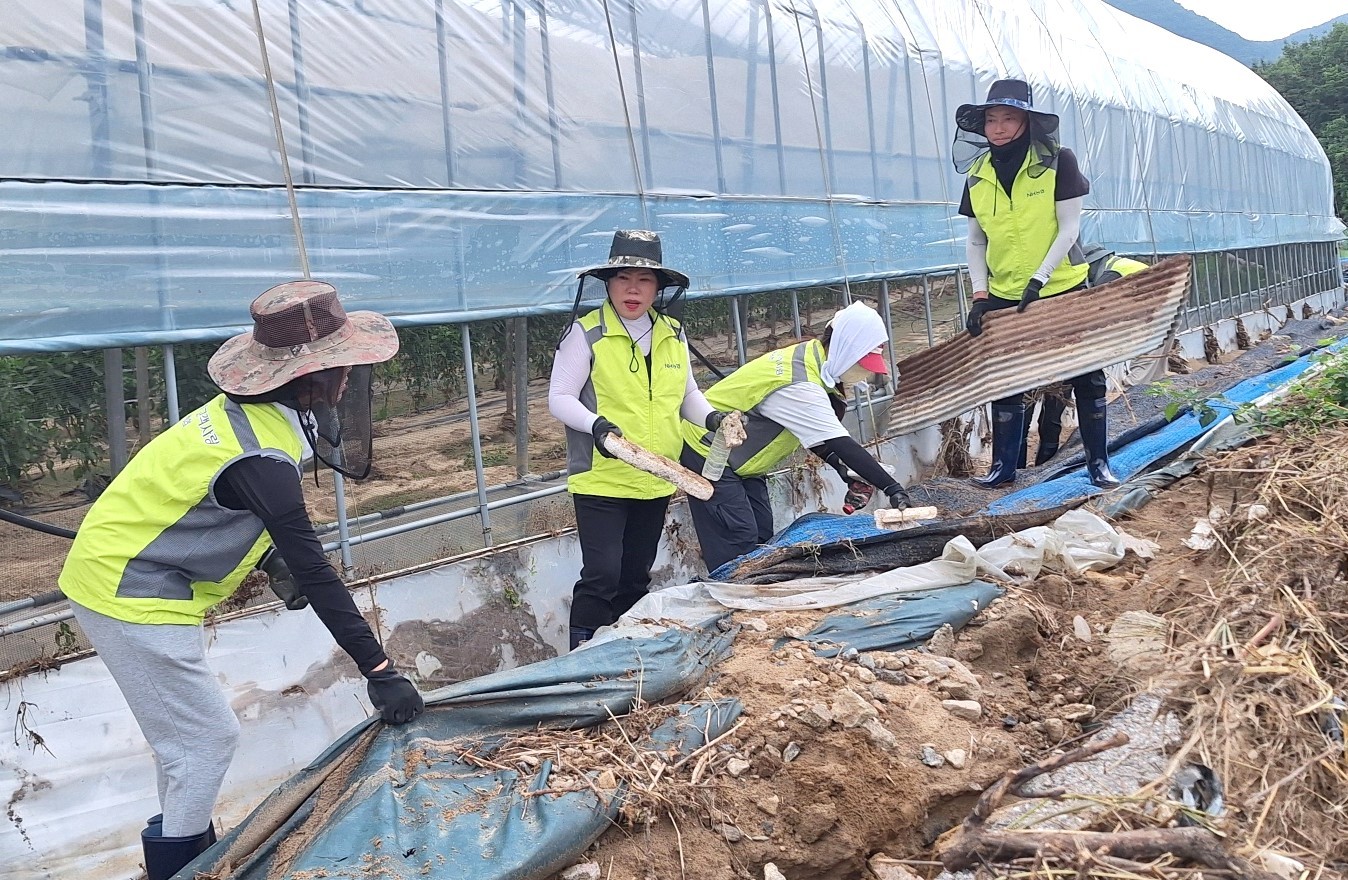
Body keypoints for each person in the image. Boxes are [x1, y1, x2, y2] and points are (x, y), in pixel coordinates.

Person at [58, 281, 425, 880]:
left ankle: (187, 845)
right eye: (340, 368)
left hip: (132, 569)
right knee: (206, 741)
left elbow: (199, 500)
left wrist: (261, 556)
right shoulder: (259, 455)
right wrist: (379, 673)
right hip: (131, 590)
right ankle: (180, 867)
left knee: (185, 745)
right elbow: (315, 569)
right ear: (309, 378)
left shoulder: (252, 418)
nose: (348, 380)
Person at [548, 230, 719, 650]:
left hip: (656, 474)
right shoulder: (586, 333)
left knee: (636, 573)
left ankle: (629, 653)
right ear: (608, 283)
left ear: (658, 288)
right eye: (623, 278)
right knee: (602, 573)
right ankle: (581, 656)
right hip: (602, 475)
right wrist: (598, 426)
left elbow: (687, 395)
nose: (633, 289)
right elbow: (559, 398)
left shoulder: (672, 333)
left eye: (644, 280)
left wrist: (713, 417)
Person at [953, 77, 1119, 489]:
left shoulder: (1058, 161)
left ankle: (1098, 464)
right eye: (992, 119)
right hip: (1007, 294)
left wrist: (1040, 278)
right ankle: (1003, 469)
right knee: (1007, 380)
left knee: (1086, 375)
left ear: (1027, 121)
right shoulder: (978, 173)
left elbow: (1069, 229)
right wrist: (981, 294)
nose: (999, 127)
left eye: (1009, 118)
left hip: (1062, 285)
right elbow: (976, 240)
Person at [680, 301, 912, 573]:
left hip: (743, 458)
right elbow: (840, 442)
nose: (865, 373)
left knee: (762, 535)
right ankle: (730, 599)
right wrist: (892, 487)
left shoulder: (813, 361)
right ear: (846, 350)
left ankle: (754, 591)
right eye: (862, 364)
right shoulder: (799, 383)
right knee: (737, 538)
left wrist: (844, 471)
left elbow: (816, 435)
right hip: (709, 449)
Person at [1027, 245, 1152, 466]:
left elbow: (1092, 307)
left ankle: (1144, 431)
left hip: (1150, 325)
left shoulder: (1111, 273)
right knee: (1058, 405)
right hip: (1147, 324)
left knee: (1141, 387)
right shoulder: (1120, 266)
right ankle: (1046, 463)